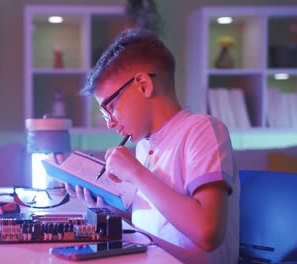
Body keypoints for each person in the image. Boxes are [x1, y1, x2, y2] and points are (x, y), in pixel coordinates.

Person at [65, 28, 240, 264]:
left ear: (143, 85)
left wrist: (136, 173)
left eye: (110, 107)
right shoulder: (144, 146)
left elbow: (207, 232)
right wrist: (112, 209)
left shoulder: (202, 130)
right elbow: (161, 225)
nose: (110, 123)